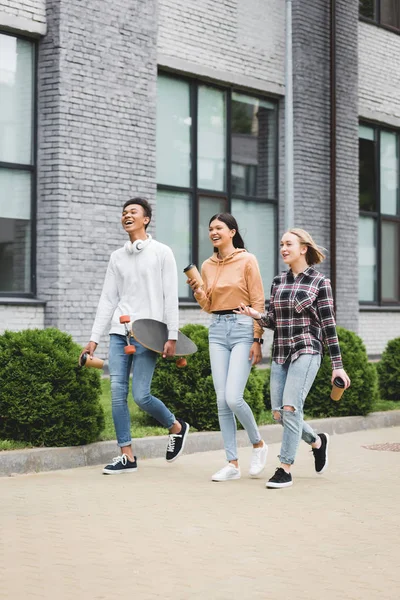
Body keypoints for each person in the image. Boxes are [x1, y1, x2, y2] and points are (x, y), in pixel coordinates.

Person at [81, 198, 189, 474]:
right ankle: (127, 455)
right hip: (120, 332)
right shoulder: (117, 257)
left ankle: (176, 427)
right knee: (117, 394)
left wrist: (172, 335)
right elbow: (108, 299)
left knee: (141, 395)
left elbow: (170, 298)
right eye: (124, 212)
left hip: (149, 335)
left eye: (133, 212)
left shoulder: (162, 253)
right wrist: (94, 337)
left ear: (146, 219)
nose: (126, 216)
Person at [236, 228, 351, 488]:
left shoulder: (320, 282)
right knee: (279, 414)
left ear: (303, 248)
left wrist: (338, 366)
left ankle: (284, 468)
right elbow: (274, 321)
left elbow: (329, 326)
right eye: (281, 244)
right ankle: (317, 441)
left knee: (291, 408)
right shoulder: (278, 282)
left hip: (307, 349)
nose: (283, 248)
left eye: (288, 244)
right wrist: (255, 316)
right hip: (281, 352)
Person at [187, 213, 268, 482]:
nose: (213, 232)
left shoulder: (247, 260)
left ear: (232, 231)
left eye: (219, 227)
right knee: (222, 401)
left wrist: (258, 339)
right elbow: (209, 305)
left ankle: (258, 444)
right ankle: (232, 463)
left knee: (234, 397)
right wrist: (199, 293)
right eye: (210, 228)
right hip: (217, 330)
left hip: (244, 328)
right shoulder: (207, 265)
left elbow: (258, 302)